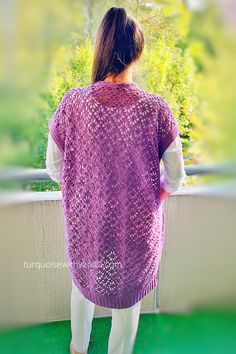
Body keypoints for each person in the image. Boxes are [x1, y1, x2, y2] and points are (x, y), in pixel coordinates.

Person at [46, 6, 186, 354]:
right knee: (127, 304)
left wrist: (85, 192)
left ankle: (78, 348)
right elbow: (177, 177)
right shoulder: (156, 108)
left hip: (88, 223)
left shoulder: (72, 103)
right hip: (137, 228)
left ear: (101, 48)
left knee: (83, 285)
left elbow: (54, 167)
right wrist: (156, 195)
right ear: (138, 53)